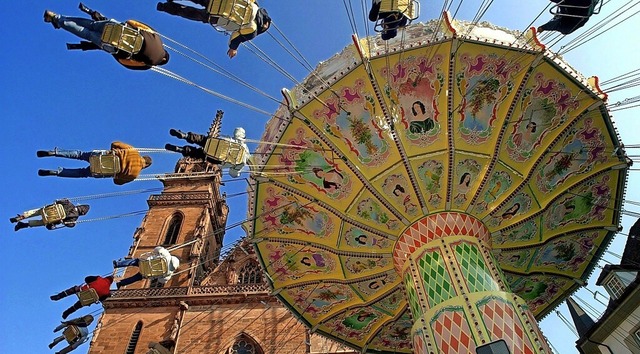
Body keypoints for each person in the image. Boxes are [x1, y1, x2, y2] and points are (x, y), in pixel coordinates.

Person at [43, 4, 170, 70]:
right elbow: (125, 62)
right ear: (161, 62)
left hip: (117, 27)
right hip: (112, 43)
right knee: (86, 33)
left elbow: (134, 22)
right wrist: (114, 53)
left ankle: (58, 17)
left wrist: (126, 24)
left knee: (91, 24)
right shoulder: (148, 63)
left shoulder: (157, 38)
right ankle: (56, 19)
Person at [156, 0, 271, 58]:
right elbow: (236, 37)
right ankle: (164, 7)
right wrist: (233, 48)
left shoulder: (253, 3)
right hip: (213, 16)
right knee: (186, 12)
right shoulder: (253, 29)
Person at [37, 141, 152, 185]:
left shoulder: (133, 151)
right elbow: (117, 182)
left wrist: (113, 152)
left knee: (80, 155)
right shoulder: (134, 174)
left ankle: (55, 153)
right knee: (81, 173)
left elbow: (115, 143)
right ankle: (56, 172)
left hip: (102, 157)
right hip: (101, 171)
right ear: (145, 166)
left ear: (143, 157)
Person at [165, 127, 250, 178]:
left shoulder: (243, 146)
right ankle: (180, 149)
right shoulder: (242, 163)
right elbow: (233, 173)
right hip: (217, 157)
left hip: (217, 143)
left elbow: (238, 131)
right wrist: (237, 174)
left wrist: (242, 137)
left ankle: (184, 135)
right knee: (198, 154)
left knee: (201, 139)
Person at [113, 246, 180, 288]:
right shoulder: (169, 273)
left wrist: (154, 254)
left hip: (145, 262)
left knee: (133, 262)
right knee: (135, 278)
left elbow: (158, 249)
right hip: (146, 273)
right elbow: (162, 281)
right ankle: (120, 283)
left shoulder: (167, 255)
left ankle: (118, 264)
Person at [10, 199, 90, 232]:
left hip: (47, 210)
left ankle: (22, 217)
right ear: (82, 213)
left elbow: (58, 201)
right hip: (51, 219)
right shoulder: (74, 218)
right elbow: (69, 225)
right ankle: (24, 225)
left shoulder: (69, 204)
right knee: (42, 222)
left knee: (37, 211)